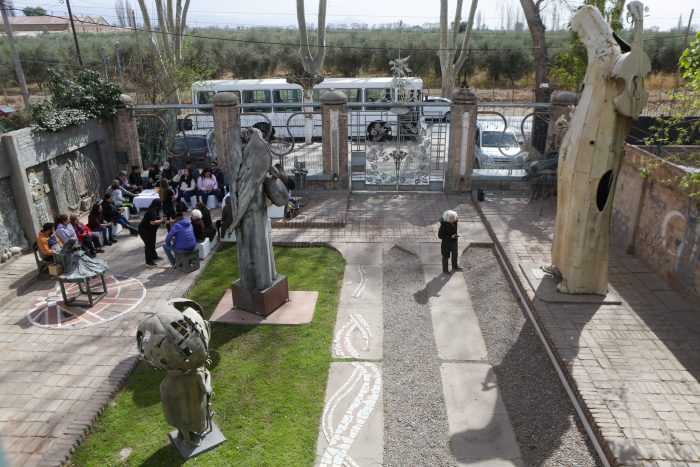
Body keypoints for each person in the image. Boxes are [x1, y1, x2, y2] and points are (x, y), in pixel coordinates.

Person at [139, 199, 167, 267]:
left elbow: (158, 220)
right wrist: (162, 220)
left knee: (152, 244)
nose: (161, 206)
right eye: (160, 205)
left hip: (151, 231)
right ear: (157, 205)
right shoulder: (151, 211)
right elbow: (152, 222)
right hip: (145, 231)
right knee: (148, 245)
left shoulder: (156, 210)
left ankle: (154, 257)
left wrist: (170, 221)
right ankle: (149, 262)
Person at [438, 210, 463, 275]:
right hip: (446, 244)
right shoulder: (443, 226)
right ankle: (445, 271)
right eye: (452, 218)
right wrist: (450, 237)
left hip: (454, 241)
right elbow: (440, 236)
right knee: (446, 256)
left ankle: (455, 266)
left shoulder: (455, 222)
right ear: (448, 218)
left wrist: (454, 236)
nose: (454, 219)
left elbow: (454, 230)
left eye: (455, 217)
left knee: (455, 254)